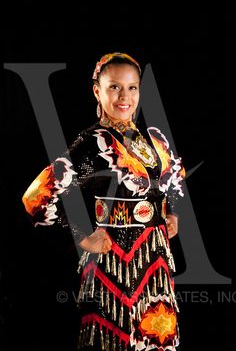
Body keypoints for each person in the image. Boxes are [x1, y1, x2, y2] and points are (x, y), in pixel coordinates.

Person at [22, 52, 185, 351]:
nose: (125, 96)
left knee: (156, 339)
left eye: (132, 87)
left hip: (155, 260)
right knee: (115, 339)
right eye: (114, 87)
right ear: (97, 89)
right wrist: (82, 236)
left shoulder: (151, 141)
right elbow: (36, 198)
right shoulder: (94, 144)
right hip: (114, 262)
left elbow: (170, 183)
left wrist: (169, 214)